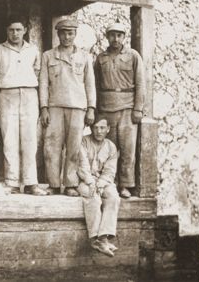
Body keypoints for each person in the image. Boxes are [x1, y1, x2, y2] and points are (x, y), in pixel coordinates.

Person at [0, 16, 47, 196]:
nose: (15, 33)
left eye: (18, 30)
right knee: (10, 138)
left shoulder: (33, 50)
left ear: (25, 30)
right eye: (11, 30)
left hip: (29, 95)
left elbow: (37, 73)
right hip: (7, 95)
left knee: (30, 140)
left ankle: (30, 183)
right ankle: (11, 182)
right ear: (6, 31)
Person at [39, 19, 96, 196]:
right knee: (51, 146)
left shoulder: (85, 56)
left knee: (73, 147)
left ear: (75, 34)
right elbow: (43, 83)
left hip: (78, 107)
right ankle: (54, 184)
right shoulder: (48, 55)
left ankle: (70, 183)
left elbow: (90, 84)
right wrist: (44, 107)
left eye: (70, 33)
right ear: (58, 34)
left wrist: (91, 108)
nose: (67, 37)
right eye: (63, 33)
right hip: (55, 106)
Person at [93, 22, 145, 199]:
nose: (116, 39)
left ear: (124, 37)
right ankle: (110, 183)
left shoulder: (133, 56)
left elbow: (141, 83)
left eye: (119, 35)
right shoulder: (101, 58)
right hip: (106, 109)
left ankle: (126, 185)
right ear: (107, 37)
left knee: (127, 148)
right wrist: (95, 110)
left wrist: (138, 109)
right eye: (112, 35)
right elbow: (95, 84)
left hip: (126, 108)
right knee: (109, 149)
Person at [77, 118, 120, 257]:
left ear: (108, 129)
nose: (98, 131)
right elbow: (82, 166)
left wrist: (101, 183)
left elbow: (110, 170)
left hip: (103, 182)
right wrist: (91, 183)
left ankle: (103, 238)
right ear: (91, 128)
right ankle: (95, 239)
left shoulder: (111, 146)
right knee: (93, 197)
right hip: (85, 181)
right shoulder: (83, 141)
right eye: (95, 127)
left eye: (102, 128)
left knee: (113, 196)